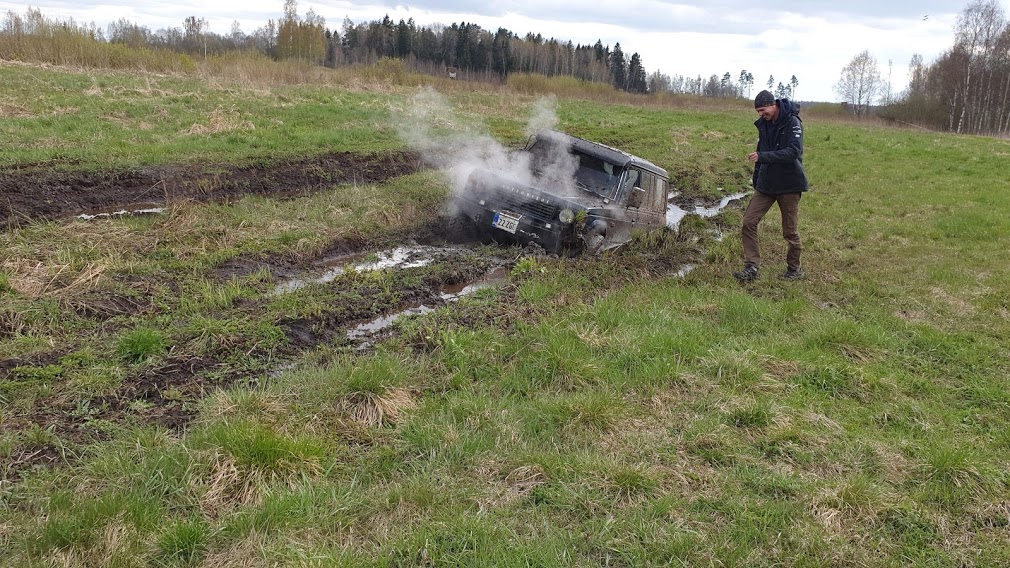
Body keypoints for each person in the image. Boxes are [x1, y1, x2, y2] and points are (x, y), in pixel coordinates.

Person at [733, 89, 809, 281]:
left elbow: (793, 151)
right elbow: (761, 153)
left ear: (773, 105)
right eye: (758, 111)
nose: (761, 114)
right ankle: (752, 266)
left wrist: (763, 157)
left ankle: (794, 269)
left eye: (763, 110)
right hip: (766, 185)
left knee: (790, 231)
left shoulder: (792, 122)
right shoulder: (764, 125)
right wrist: (757, 179)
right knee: (749, 222)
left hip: (789, 184)